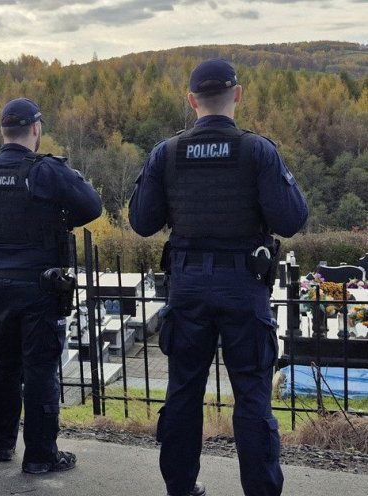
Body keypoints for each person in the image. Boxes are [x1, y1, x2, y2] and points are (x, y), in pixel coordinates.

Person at [129, 59, 308, 496]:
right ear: (238, 94)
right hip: (244, 287)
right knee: (252, 394)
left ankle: (180, 486)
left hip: (188, 287)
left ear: (192, 101)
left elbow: (142, 221)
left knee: (183, 390)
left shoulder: (167, 153)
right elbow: (291, 219)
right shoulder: (257, 151)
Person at [0, 98, 102, 474]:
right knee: (41, 369)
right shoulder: (45, 171)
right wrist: (57, 216)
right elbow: (92, 206)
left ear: (3, 131)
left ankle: (2, 443)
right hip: (40, 286)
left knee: (4, 366)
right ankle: (41, 456)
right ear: (36, 129)